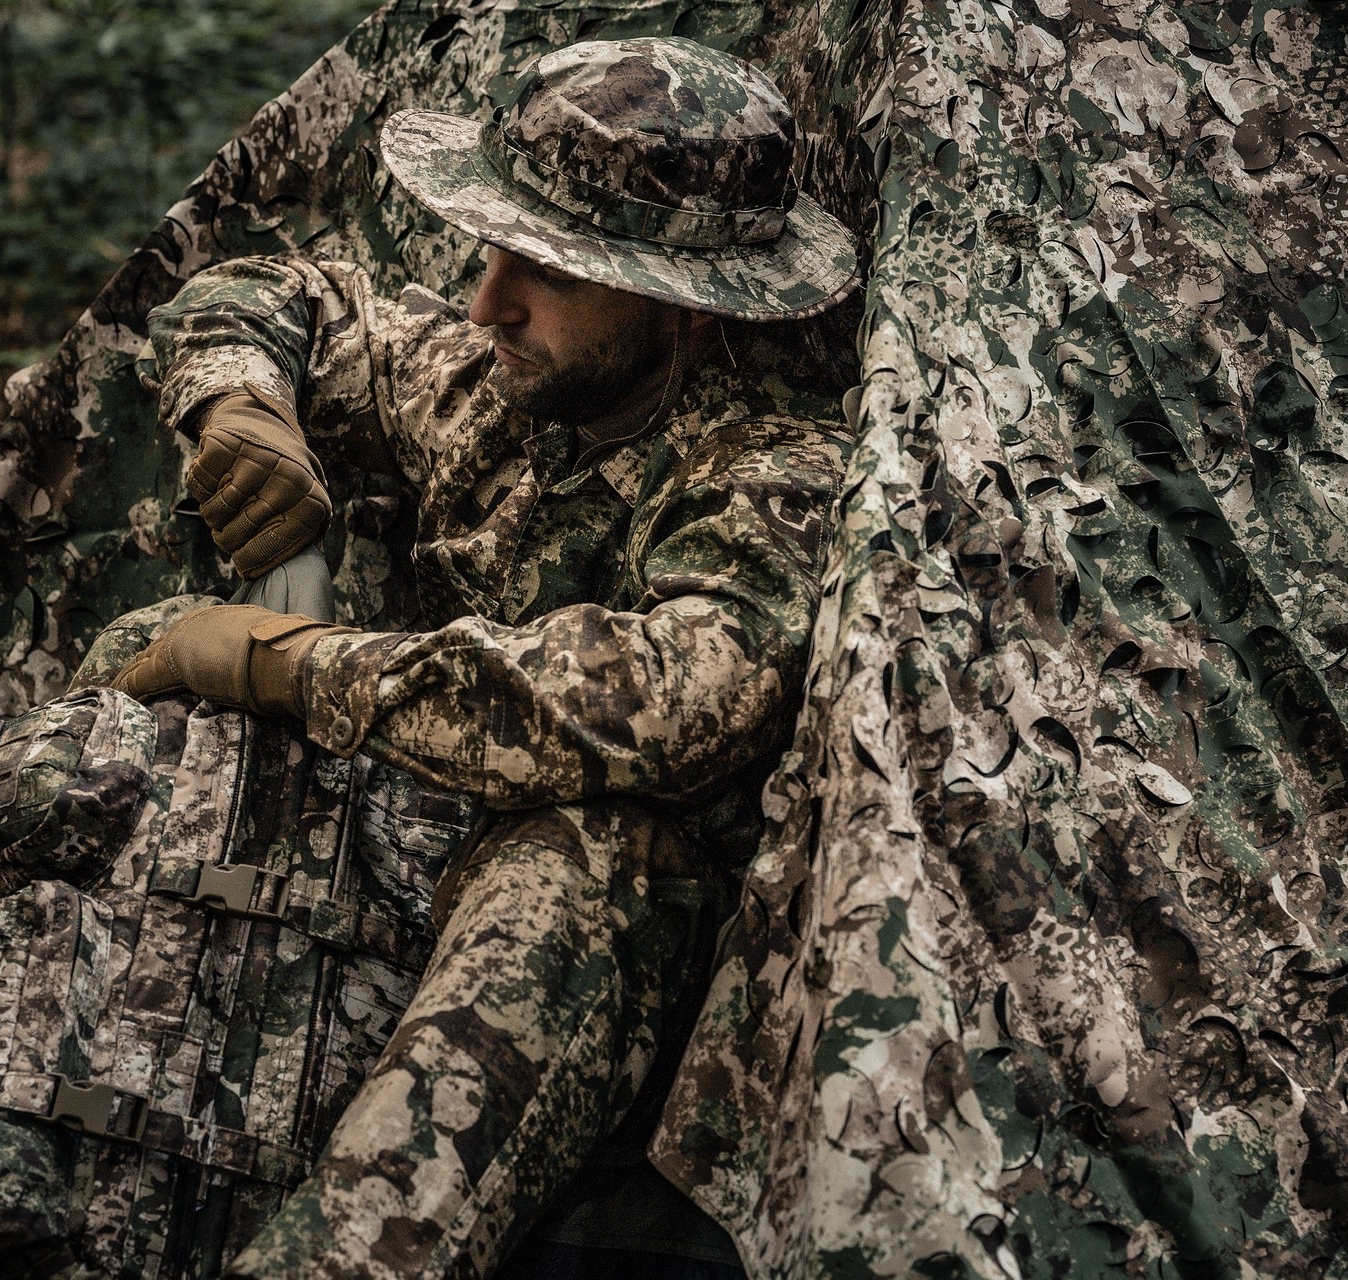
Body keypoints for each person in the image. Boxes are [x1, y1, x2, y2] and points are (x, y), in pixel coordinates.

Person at [105, 35, 859, 1280]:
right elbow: (279, 292)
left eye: (544, 269)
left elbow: (664, 703)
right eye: (491, 246)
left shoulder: (774, 469)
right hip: (429, 852)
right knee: (135, 664)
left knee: (597, 857)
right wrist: (239, 403)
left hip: (634, 965)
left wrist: (299, 664)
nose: (483, 302)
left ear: (681, 300)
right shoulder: (508, 383)